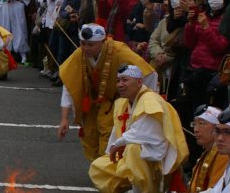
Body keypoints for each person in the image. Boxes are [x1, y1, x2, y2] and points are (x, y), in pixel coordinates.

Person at [87, 63, 188, 193]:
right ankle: (130, 186)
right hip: (134, 158)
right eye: (118, 80)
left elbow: (145, 133)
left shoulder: (150, 100)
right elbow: (117, 132)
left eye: (125, 80)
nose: (120, 85)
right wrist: (113, 149)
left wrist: (120, 143)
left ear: (139, 82)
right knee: (100, 168)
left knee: (134, 147)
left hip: (156, 167)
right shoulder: (123, 102)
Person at [56, 24, 157, 164]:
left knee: (109, 137)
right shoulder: (80, 54)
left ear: (102, 42)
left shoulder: (119, 51)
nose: (85, 48)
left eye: (90, 45)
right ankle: (99, 169)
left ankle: (109, 170)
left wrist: (141, 105)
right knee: (89, 137)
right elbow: (69, 83)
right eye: (83, 44)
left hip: (114, 103)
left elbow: (149, 74)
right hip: (92, 104)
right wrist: (64, 118)